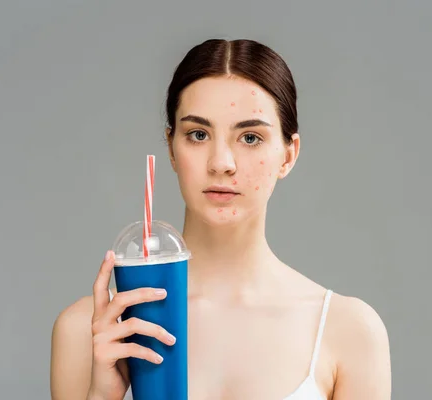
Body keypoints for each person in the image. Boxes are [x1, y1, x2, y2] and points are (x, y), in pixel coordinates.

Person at [50, 38, 391, 400]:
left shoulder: (349, 331)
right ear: (171, 147)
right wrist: (102, 396)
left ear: (288, 155)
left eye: (250, 137)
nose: (221, 163)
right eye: (198, 134)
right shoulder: (89, 332)